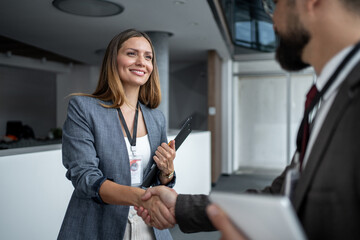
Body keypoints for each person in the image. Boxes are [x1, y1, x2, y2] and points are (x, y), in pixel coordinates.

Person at [135, 0, 360, 239]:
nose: (272, 22)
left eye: (274, 6)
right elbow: (285, 194)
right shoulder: (329, 97)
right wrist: (180, 206)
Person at [57, 29, 177, 240]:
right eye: (132, 53)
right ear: (113, 60)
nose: (142, 62)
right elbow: (85, 178)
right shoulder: (83, 108)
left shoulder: (156, 118)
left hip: (149, 224)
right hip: (98, 224)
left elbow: (158, 181)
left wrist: (166, 173)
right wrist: (142, 198)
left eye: (148, 57)